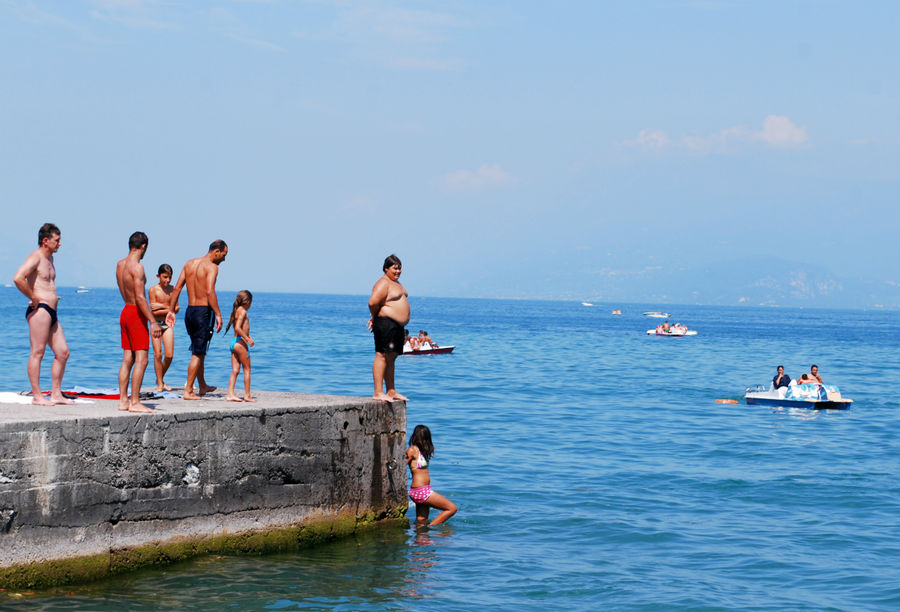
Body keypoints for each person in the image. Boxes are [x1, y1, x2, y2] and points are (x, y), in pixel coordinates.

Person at [12, 223, 75, 406]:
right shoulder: (36, 257)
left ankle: (56, 394)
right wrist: (33, 296)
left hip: (52, 311)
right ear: (45, 241)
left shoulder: (50, 259)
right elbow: (18, 277)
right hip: (40, 311)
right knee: (37, 353)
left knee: (63, 352)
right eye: (57, 240)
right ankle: (37, 396)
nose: (60, 244)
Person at [168, 239, 228, 400]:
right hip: (203, 312)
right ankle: (188, 390)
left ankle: (202, 385)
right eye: (224, 254)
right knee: (198, 353)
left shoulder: (189, 263)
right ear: (217, 251)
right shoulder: (212, 267)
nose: (224, 258)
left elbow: (177, 288)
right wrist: (219, 314)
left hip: (190, 311)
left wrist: (171, 311)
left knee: (198, 349)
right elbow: (210, 291)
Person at [115, 232, 162, 413]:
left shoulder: (120, 265)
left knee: (128, 358)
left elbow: (123, 290)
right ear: (143, 246)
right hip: (136, 313)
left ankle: (122, 401)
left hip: (126, 310)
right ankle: (134, 401)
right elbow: (141, 298)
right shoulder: (138, 268)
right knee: (142, 359)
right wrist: (153, 322)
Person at [367, 254, 409, 402]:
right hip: (386, 323)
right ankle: (378, 391)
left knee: (392, 356)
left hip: (397, 326)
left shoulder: (397, 283)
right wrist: (375, 318)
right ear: (386, 269)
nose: (398, 271)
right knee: (382, 355)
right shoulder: (383, 283)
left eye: (399, 268)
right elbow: (372, 303)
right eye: (394, 268)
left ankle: (391, 391)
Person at [406, 424, 457, 527]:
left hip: (422, 490)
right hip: (420, 491)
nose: (424, 441)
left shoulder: (421, 451)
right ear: (417, 437)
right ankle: (431, 528)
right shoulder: (413, 450)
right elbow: (401, 466)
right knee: (452, 508)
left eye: (425, 439)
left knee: (422, 521)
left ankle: (421, 538)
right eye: (422, 438)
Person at [149, 263, 178, 392]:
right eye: (165, 277)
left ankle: (160, 378)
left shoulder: (174, 289)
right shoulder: (153, 290)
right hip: (156, 323)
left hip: (168, 324)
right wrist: (169, 309)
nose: (167, 280)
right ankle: (160, 383)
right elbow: (153, 312)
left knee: (169, 355)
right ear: (158, 276)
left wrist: (163, 308)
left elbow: (176, 308)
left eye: (169, 277)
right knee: (157, 354)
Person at [224, 290, 255, 402]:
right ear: (247, 302)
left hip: (234, 342)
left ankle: (230, 394)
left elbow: (241, 329)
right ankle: (247, 395)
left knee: (235, 370)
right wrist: (247, 339)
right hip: (240, 344)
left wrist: (248, 336)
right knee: (247, 370)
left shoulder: (237, 310)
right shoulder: (243, 312)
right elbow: (237, 327)